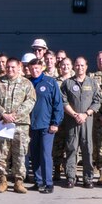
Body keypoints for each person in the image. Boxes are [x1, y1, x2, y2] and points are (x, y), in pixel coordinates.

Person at [0, 58, 36, 194]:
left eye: (13, 67)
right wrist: (3, 114)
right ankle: (2, 180)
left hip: (20, 125)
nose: (10, 69)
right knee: (1, 153)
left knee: (20, 153)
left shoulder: (26, 84)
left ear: (19, 67)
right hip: (2, 123)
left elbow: (30, 101)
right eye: (8, 67)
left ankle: (18, 181)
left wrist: (15, 116)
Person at [58, 56, 98, 189]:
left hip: (87, 121)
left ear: (86, 67)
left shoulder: (92, 83)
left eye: (82, 65)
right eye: (77, 65)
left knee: (87, 149)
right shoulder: (67, 83)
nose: (79, 67)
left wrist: (86, 114)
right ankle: (70, 177)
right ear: (74, 67)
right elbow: (63, 102)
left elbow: (97, 101)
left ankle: (88, 178)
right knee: (71, 148)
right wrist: (75, 114)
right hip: (72, 121)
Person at [26, 56, 64, 193]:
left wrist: (55, 122)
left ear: (42, 68)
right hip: (31, 125)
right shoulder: (27, 83)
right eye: (32, 68)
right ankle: (38, 181)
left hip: (46, 125)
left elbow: (58, 104)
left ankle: (48, 183)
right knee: (34, 155)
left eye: (37, 68)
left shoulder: (50, 82)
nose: (34, 70)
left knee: (45, 154)